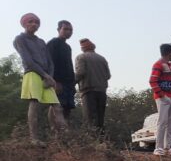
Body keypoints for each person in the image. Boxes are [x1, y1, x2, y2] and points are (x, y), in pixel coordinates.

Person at [13, 13, 64, 144]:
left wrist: (50, 76)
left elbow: (50, 61)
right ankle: (34, 138)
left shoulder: (41, 42)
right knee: (34, 104)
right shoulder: (20, 39)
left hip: (46, 76)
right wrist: (45, 75)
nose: (34, 24)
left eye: (36, 22)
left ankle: (62, 138)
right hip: (32, 73)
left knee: (57, 106)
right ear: (24, 24)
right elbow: (28, 60)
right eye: (30, 21)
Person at [74, 38, 111, 132]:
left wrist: (71, 83)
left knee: (90, 119)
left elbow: (80, 72)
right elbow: (108, 75)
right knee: (100, 120)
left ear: (83, 48)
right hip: (102, 91)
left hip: (88, 91)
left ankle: (92, 139)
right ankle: (101, 138)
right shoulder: (102, 59)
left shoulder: (81, 57)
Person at [149, 44, 171, 156]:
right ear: (169, 53)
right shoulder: (158, 64)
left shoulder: (169, 65)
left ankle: (167, 147)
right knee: (162, 123)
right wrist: (162, 96)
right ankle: (158, 148)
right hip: (163, 98)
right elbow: (152, 81)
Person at [47, 20, 76, 124]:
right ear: (59, 29)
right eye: (65, 29)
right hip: (58, 81)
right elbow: (49, 63)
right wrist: (55, 81)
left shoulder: (68, 47)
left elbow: (69, 66)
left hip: (69, 83)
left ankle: (63, 131)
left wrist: (73, 82)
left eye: (70, 30)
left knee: (67, 108)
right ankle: (54, 130)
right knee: (56, 106)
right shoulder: (53, 43)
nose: (68, 31)